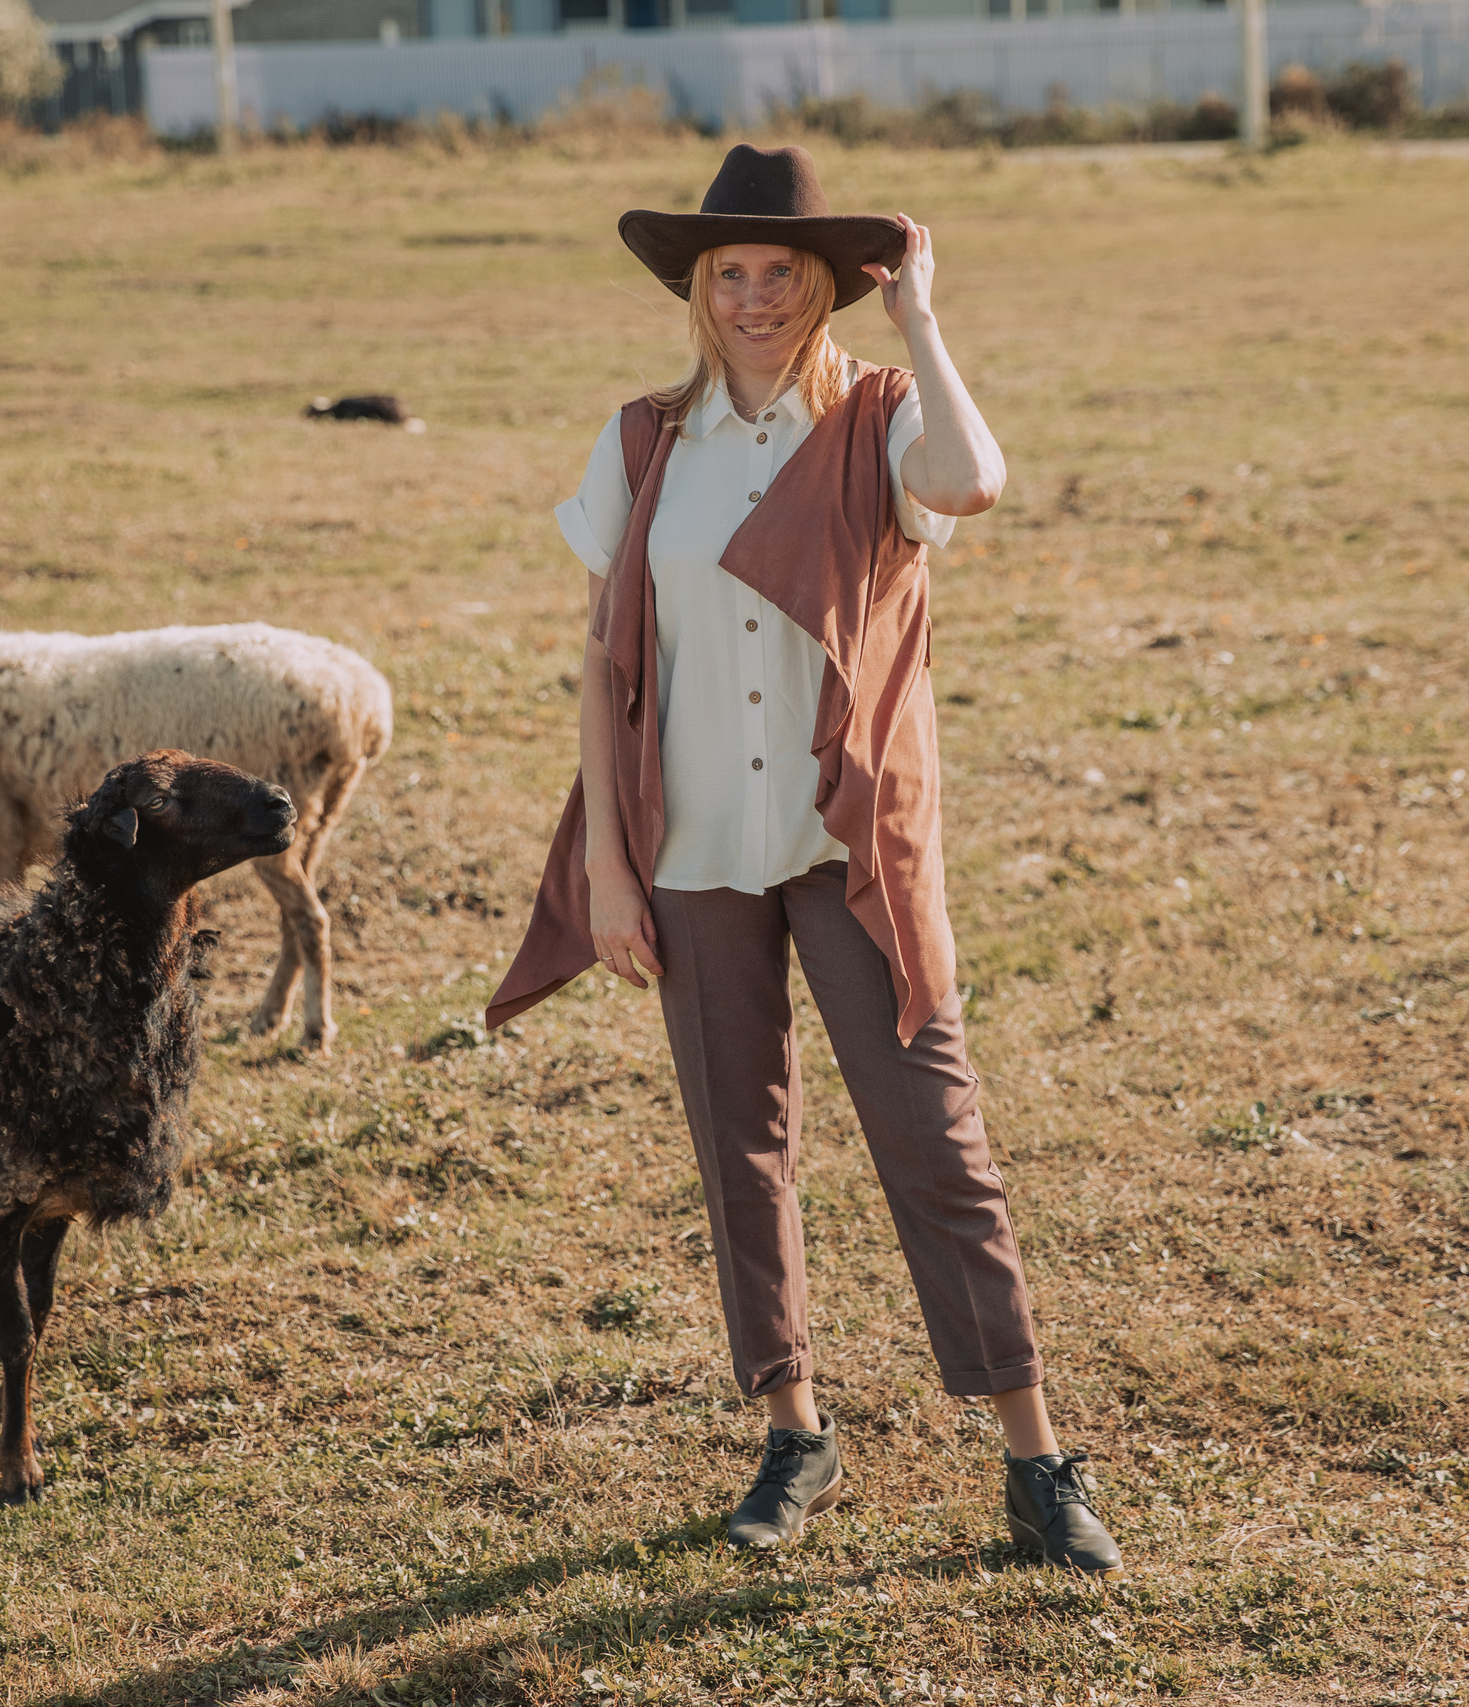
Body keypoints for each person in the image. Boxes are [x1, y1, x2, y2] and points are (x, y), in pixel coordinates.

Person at [487, 144, 1120, 1574]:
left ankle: (1036, 1462)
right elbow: (602, 661)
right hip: (695, 851)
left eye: (784, 272)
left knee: (935, 1140)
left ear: (828, 285)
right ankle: (795, 1432)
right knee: (740, 1147)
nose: (757, 296)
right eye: (733, 273)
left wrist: (925, 323)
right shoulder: (645, 439)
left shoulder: (885, 418)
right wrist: (604, 865)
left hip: (847, 852)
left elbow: (979, 481)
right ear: (699, 290)